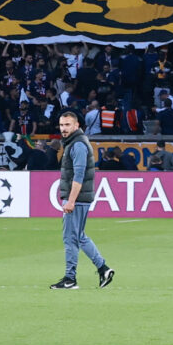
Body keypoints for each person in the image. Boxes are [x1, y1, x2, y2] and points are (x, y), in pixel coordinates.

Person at [50, 108, 114, 291]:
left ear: (76, 125)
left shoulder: (77, 145)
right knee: (79, 236)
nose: (63, 128)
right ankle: (103, 268)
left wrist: (71, 200)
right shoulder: (75, 142)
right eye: (61, 125)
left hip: (77, 198)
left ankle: (70, 279)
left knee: (70, 238)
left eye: (67, 125)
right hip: (80, 197)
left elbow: (79, 175)